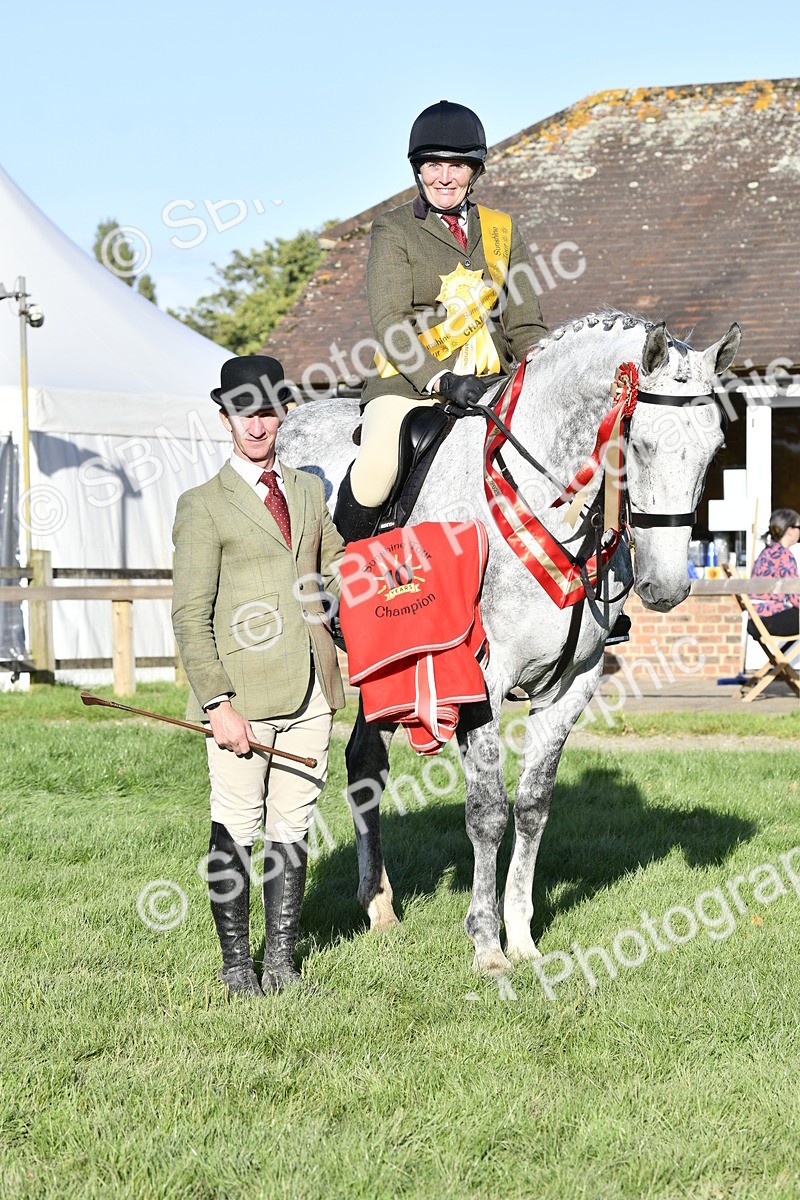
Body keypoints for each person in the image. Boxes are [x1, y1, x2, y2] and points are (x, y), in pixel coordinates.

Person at [172, 355, 345, 998]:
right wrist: (217, 703)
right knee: (237, 824)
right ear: (225, 419)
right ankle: (237, 966)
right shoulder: (203, 506)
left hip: (311, 690)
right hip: (239, 698)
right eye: (245, 411)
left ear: (284, 413)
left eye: (268, 409)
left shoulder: (306, 491)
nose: (258, 423)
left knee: (292, 825)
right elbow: (190, 617)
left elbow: (338, 563)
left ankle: (280, 962)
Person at [333, 99, 548, 543]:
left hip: (492, 385)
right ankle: (339, 576)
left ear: (475, 172)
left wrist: (544, 374)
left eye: (457, 166)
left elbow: (526, 325)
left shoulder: (502, 230)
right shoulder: (393, 230)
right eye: (433, 165)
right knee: (375, 471)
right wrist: (440, 379)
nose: (444, 177)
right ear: (418, 169)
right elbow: (391, 322)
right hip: (410, 385)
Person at [750, 507, 800, 636]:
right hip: (771, 618)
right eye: (798, 527)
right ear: (789, 530)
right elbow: (795, 597)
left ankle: (780, 657)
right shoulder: (784, 555)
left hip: (755, 620)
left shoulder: (766, 552)